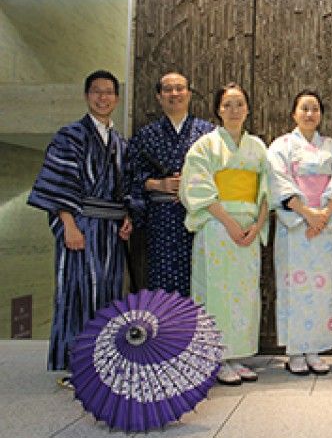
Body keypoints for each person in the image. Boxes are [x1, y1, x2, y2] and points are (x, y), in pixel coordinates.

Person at [27, 70, 133, 387]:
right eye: (96, 91)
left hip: (110, 231)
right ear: (87, 96)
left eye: (109, 92)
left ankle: (104, 361)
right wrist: (68, 223)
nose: (103, 97)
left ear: (116, 98)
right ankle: (77, 365)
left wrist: (127, 215)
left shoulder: (119, 142)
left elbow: (124, 186)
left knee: (109, 292)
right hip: (80, 225)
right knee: (78, 289)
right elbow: (60, 183)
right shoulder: (69, 136)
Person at [179, 82, 270, 386]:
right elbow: (197, 187)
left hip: (248, 225)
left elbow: (267, 189)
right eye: (227, 104)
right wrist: (229, 222)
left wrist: (257, 224)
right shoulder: (205, 145)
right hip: (218, 224)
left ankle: (238, 354)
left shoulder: (257, 147)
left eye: (239, 104)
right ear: (218, 109)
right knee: (216, 289)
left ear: (248, 109)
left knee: (244, 291)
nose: (234, 110)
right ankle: (216, 357)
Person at [266, 90, 332, 376]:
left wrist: (324, 215)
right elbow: (277, 182)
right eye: (304, 108)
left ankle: (315, 349)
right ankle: (295, 351)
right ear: (293, 113)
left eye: (315, 109)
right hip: (295, 225)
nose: (309, 114)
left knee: (323, 287)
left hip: (323, 227)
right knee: (293, 287)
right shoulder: (281, 146)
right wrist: (308, 214)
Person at [127, 72, 214, 297]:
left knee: (202, 280)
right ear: (158, 96)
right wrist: (158, 184)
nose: (174, 94)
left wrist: (191, 189)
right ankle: (167, 332)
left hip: (200, 217)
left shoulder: (208, 134)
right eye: (167, 89)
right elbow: (129, 177)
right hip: (161, 220)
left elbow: (222, 176)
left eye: (179, 88)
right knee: (162, 283)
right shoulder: (146, 135)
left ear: (189, 94)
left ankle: (199, 332)